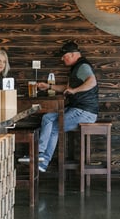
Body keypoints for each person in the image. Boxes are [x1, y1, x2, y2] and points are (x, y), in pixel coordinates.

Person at [34, 41, 99, 173]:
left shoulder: (83, 66)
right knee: (47, 118)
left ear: (73, 54)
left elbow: (92, 81)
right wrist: (49, 86)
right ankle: (41, 157)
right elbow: (67, 88)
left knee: (54, 126)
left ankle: (41, 158)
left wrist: (75, 91)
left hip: (85, 112)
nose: (62, 58)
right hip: (77, 109)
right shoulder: (76, 68)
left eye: (64, 56)